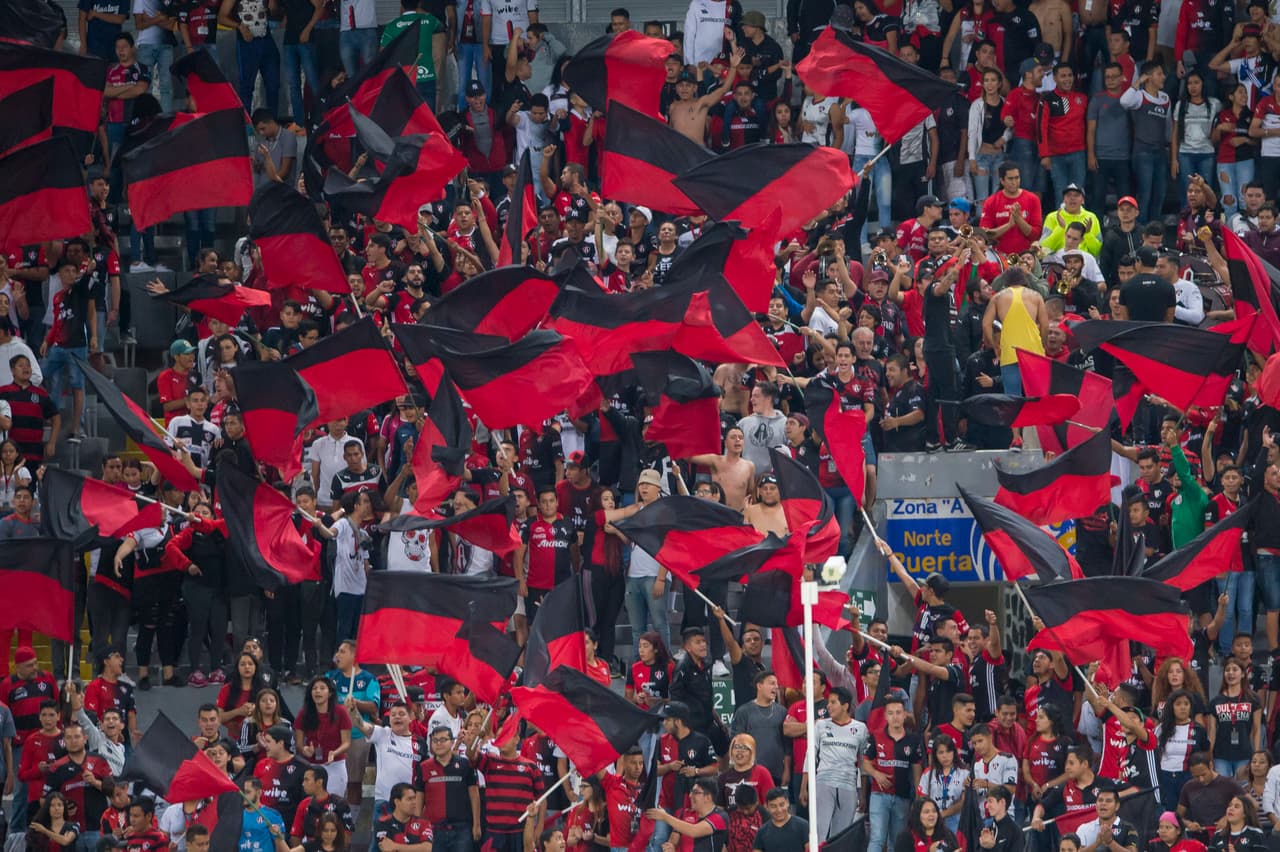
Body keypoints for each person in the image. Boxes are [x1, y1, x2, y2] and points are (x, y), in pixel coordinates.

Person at [803, 686, 869, 840]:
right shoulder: (820, 725)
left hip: (849, 785)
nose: (828, 706)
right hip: (824, 783)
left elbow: (863, 763)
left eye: (833, 702)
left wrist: (863, 794)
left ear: (845, 706)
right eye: (828, 702)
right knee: (818, 832)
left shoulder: (860, 728)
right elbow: (810, 755)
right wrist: (804, 786)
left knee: (841, 836)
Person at [894, 797, 962, 852]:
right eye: (926, 812)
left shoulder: (947, 834)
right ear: (917, 815)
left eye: (934, 811)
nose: (931, 815)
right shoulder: (906, 837)